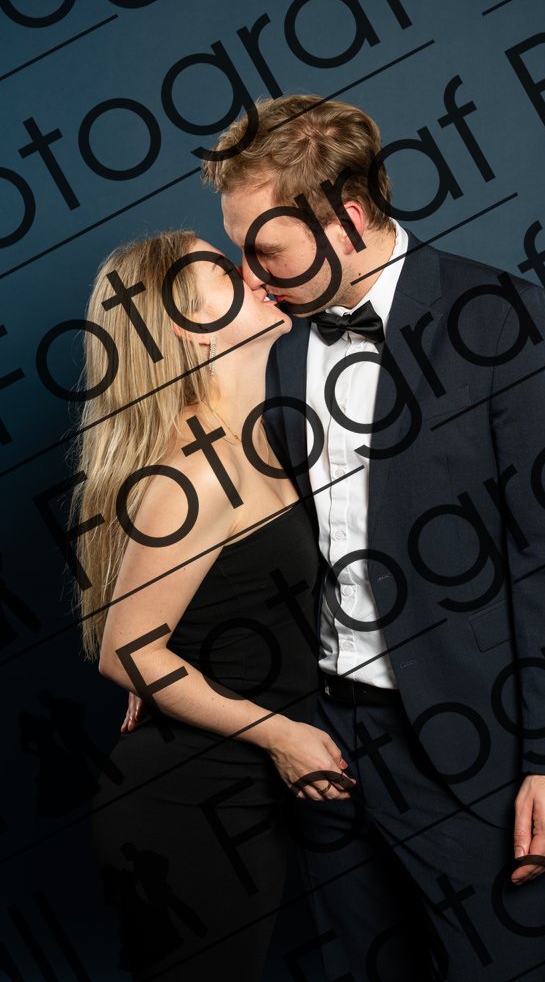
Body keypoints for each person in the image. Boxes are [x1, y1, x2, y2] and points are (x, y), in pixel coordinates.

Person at [127, 96, 545, 980]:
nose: (249, 275)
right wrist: (163, 652)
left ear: (345, 221)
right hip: (319, 738)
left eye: (264, 249)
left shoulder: (499, 316)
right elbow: (243, 526)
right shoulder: (272, 344)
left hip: (471, 742)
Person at [72, 230, 355, 981]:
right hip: (188, 801)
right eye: (224, 272)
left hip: (240, 793)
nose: (254, 272)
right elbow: (126, 651)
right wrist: (283, 737)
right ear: (186, 325)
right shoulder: (197, 470)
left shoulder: (258, 442)